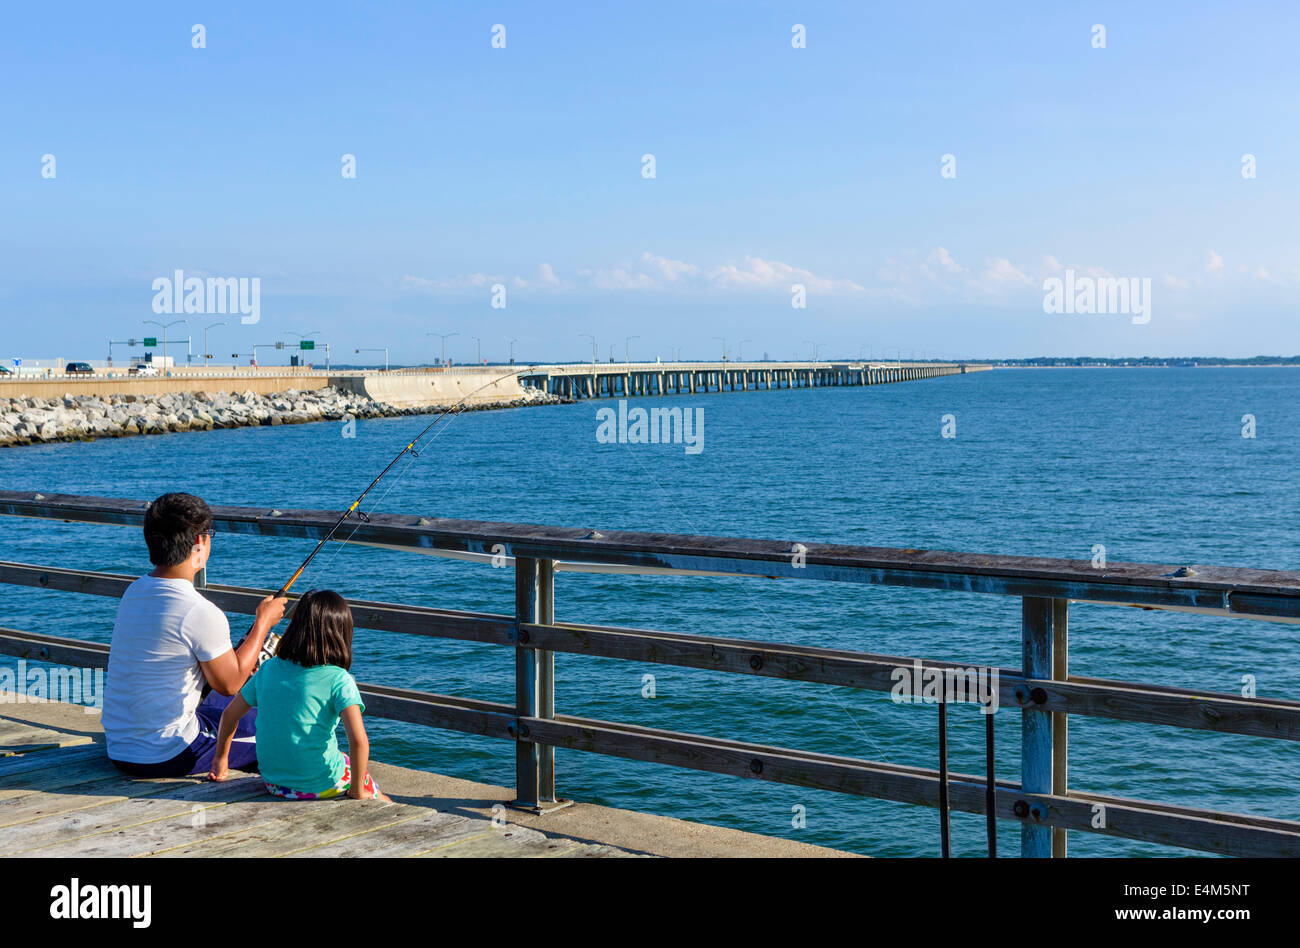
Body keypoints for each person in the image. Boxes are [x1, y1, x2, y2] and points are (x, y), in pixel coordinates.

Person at [102, 492, 287, 777]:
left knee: (226, 705)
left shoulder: (134, 591)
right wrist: (263, 623)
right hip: (167, 754)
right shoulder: (199, 611)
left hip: (119, 748)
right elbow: (230, 684)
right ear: (199, 543)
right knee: (273, 730)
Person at [208, 589, 391, 802]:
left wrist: (221, 761)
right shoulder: (339, 679)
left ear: (295, 627)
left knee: (342, 759)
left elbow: (229, 715)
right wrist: (357, 791)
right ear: (342, 634)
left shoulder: (268, 669)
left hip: (275, 784)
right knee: (378, 795)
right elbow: (359, 741)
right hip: (321, 784)